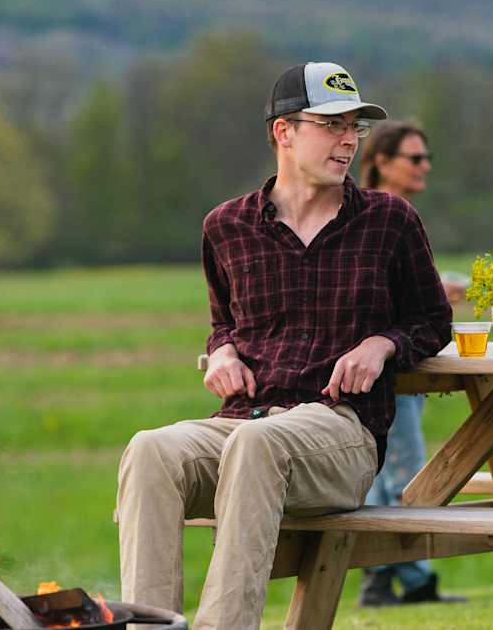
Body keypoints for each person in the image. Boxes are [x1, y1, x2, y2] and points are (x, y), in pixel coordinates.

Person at [116, 63, 453, 630]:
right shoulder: (226, 227)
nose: (349, 139)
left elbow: (432, 320)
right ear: (284, 132)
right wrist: (222, 350)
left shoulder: (389, 220)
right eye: (332, 125)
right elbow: (226, 322)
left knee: (258, 443)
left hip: (340, 432)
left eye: (355, 127)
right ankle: (148, 627)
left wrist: (383, 342)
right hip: (245, 419)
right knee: (150, 450)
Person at [355, 120, 467, 607]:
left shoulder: (397, 215)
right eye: (414, 158)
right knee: (402, 474)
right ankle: (393, 580)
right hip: (385, 369)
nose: (425, 167)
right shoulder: (365, 217)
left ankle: (390, 579)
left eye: (426, 158)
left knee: (388, 474)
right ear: (381, 161)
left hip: (403, 360)